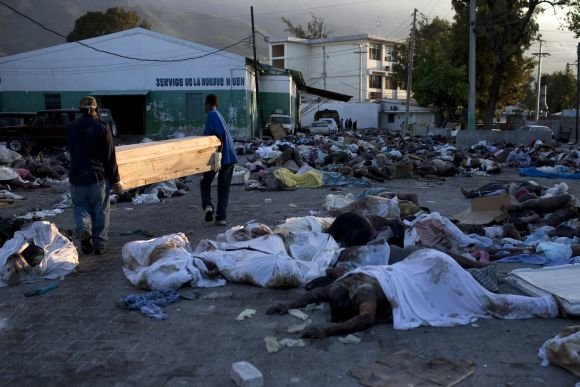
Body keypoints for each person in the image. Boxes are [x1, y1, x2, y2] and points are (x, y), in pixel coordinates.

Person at [267, 248, 560, 338]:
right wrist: (289, 305)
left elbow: (365, 320)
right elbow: (316, 295)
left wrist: (328, 330)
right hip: (419, 262)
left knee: (487, 303)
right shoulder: (341, 284)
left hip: (435, 274)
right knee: (477, 288)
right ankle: (478, 271)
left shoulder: (362, 290)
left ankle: (551, 305)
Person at [66, 96, 120, 255]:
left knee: (81, 207)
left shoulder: (70, 128)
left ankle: (83, 230)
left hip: (76, 177)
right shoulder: (102, 127)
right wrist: (115, 179)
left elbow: (70, 150)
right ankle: (99, 244)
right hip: (97, 177)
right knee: (100, 210)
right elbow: (110, 156)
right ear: (95, 110)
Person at [200, 94, 238, 226]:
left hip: (219, 156)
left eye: (204, 104)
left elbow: (214, 136)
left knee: (205, 182)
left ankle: (208, 206)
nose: (204, 107)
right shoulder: (220, 115)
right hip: (230, 156)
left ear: (208, 104)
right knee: (224, 188)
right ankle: (221, 217)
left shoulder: (211, 115)